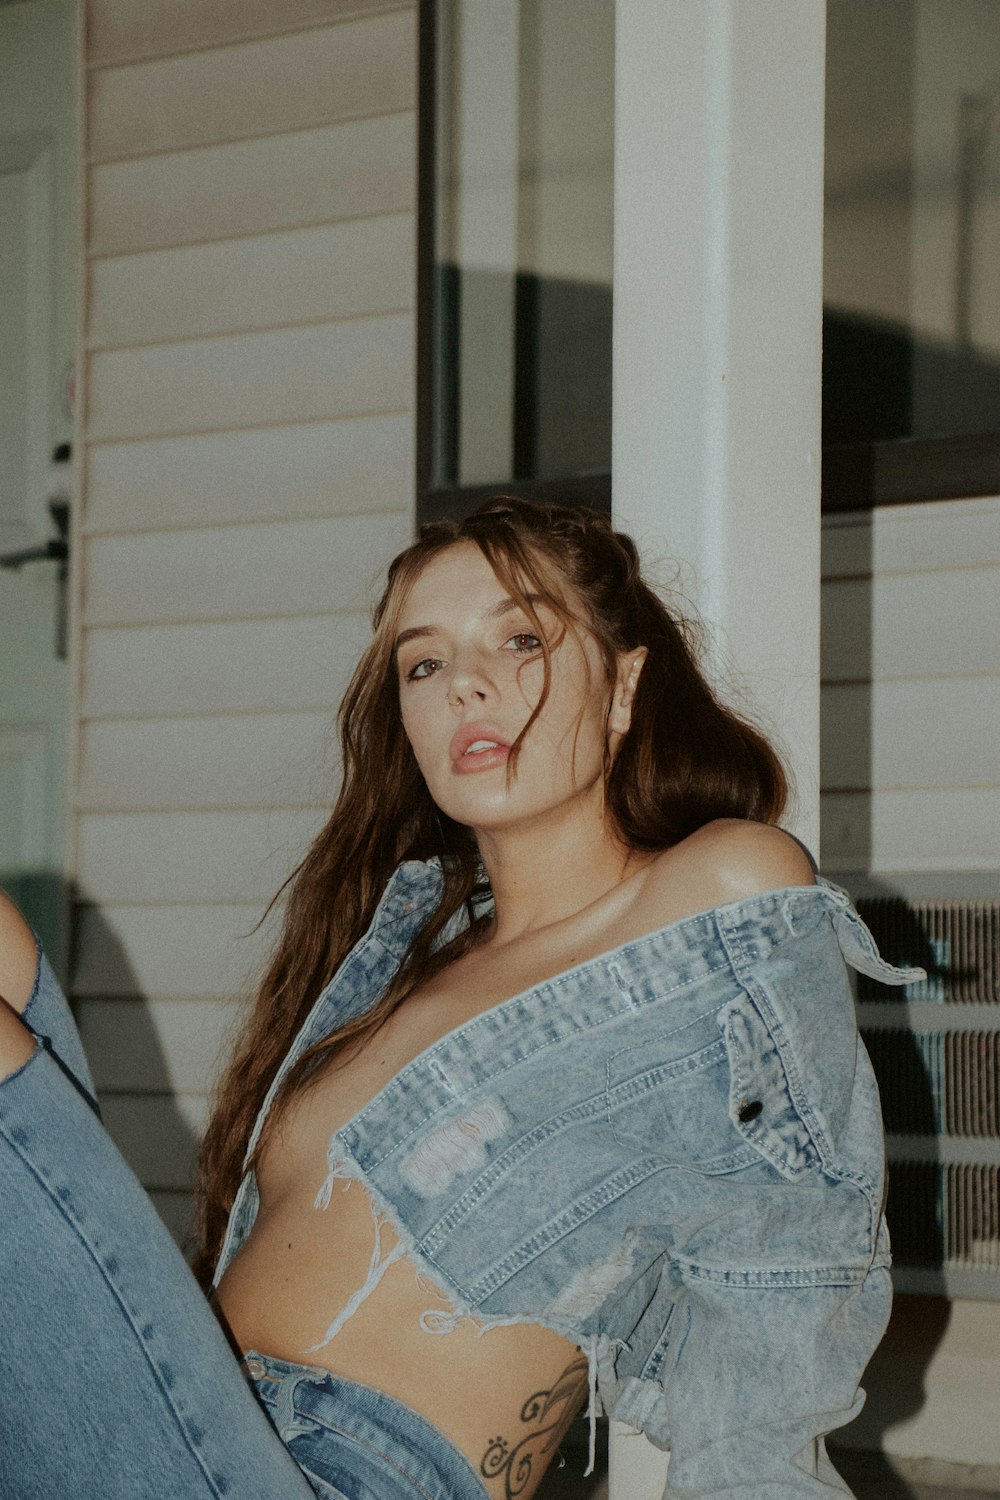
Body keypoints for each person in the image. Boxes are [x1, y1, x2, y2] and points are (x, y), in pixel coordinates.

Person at [0, 497, 920, 1500]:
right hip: (177, 1419)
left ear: (623, 686)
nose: (466, 687)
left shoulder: (719, 889)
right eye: (423, 665)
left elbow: (783, 1268)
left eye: (519, 637)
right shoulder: (399, 956)